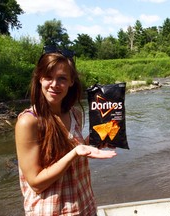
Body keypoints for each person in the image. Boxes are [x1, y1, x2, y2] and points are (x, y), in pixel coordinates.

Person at [15, 46, 117, 215]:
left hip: (85, 205)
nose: (54, 85)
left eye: (62, 78)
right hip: (51, 211)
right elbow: (36, 183)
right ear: (39, 78)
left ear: (71, 82)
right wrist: (76, 152)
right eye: (48, 77)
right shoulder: (28, 122)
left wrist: (96, 139)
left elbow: (75, 151)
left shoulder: (75, 114)